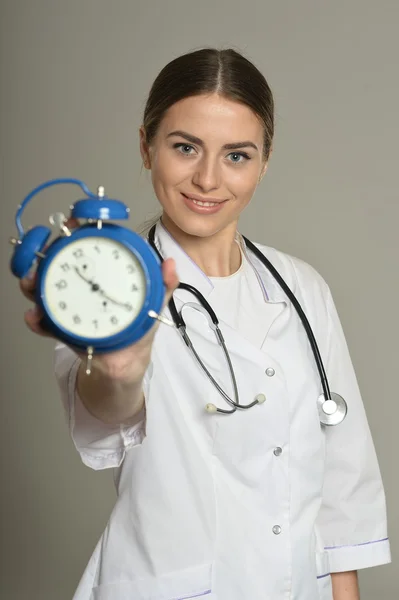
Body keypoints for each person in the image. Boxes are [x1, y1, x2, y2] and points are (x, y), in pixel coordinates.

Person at [20, 48, 391, 600]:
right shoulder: (109, 281)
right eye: (185, 147)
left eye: (237, 155)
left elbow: (343, 482)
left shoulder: (304, 287)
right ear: (146, 146)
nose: (208, 179)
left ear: (265, 162)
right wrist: (121, 370)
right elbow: (104, 416)